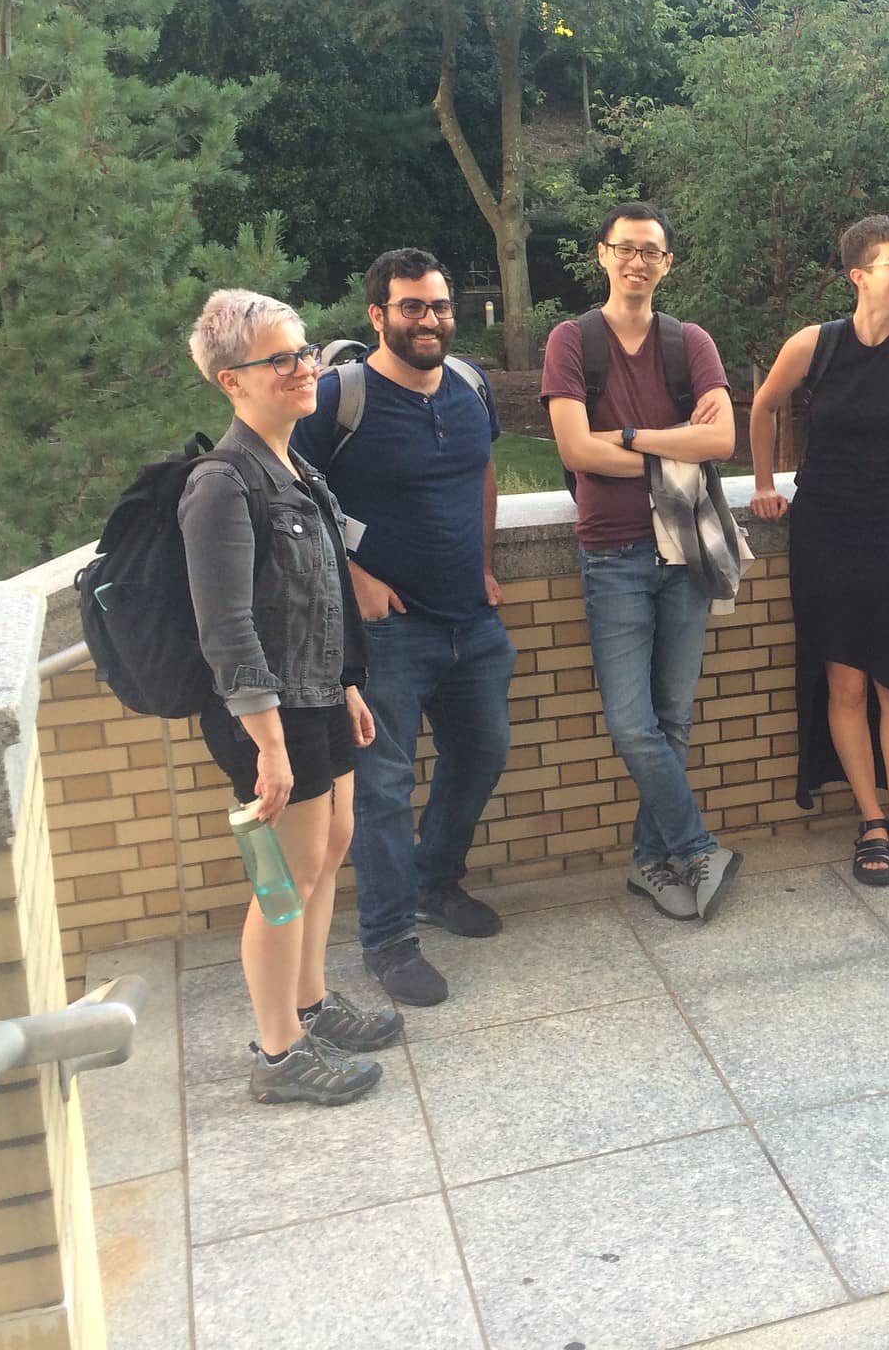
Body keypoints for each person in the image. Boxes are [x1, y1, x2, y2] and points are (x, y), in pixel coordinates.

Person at [181, 289, 403, 1105]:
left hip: (316, 694)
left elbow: (317, 596)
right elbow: (228, 626)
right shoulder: (222, 483)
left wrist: (345, 682)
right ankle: (279, 1054)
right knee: (286, 879)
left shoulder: (293, 465)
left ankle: (311, 1003)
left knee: (331, 845)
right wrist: (268, 743)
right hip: (266, 712)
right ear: (230, 381)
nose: (304, 368)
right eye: (281, 359)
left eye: (304, 351)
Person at [292, 248, 514, 1009]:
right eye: (413, 307)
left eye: (440, 306)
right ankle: (387, 940)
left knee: (482, 753)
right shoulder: (337, 400)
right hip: (386, 635)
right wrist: (353, 581)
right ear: (378, 315)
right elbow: (293, 500)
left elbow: (483, 471)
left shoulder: (469, 385)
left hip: (470, 620)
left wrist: (484, 565)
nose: (431, 320)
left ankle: (434, 881)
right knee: (383, 789)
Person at [749, 215, 889, 887]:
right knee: (843, 679)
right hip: (826, 527)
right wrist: (761, 485)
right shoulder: (815, 345)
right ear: (858, 275)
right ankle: (870, 820)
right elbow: (760, 408)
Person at [542, 202, 744, 921]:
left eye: (650, 252)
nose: (636, 261)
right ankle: (694, 847)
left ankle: (647, 864)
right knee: (632, 723)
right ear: (602, 255)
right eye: (623, 249)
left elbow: (722, 443)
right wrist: (670, 442)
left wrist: (625, 437)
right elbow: (575, 450)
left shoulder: (689, 342)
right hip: (613, 553)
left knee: (672, 717)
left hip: (684, 550)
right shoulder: (572, 341)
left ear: (667, 264)